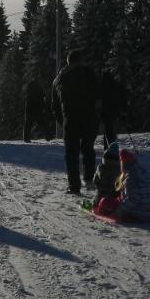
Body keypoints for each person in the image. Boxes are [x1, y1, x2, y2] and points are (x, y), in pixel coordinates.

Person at [51, 50, 100, 194]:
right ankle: (89, 179)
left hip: (70, 118)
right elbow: (98, 95)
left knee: (71, 153)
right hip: (89, 117)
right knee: (88, 149)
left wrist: (62, 120)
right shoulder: (89, 74)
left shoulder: (59, 78)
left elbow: (55, 105)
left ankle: (74, 186)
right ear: (81, 60)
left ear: (68, 62)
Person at [99, 73, 127, 149]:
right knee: (112, 131)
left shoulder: (101, 86)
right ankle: (112, 148)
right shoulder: (116, 85)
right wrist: (123, 112)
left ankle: (108, 148)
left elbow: (99, 100)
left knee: (107, 131)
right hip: (115, 112)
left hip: (105, 113)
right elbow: (123, 99)